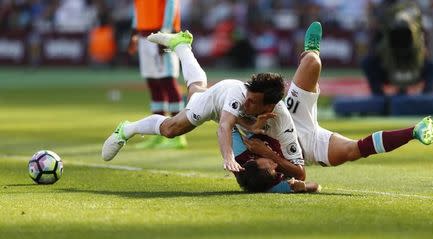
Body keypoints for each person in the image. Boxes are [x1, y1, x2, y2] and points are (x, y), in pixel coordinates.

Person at [235, 21, 433, 193]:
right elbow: (306, 180)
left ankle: (310, 50)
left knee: (313, 62)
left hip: (288, 116)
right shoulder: (273, 182)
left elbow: (229, 124)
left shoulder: (242, 159)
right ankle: (415, 131)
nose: (272, 165)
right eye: (272, 169)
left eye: (266, 164)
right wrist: (281, 166)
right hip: (310, 146)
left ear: (251, 164)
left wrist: (249, 125)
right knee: (354, 149)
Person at [102, 30, 305, 176]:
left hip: (228, 111)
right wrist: (228, 157)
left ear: (269, 107)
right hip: (215, 104)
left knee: (196, 89)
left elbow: (301, 172)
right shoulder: (239, 93)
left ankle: (182, 46)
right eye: (248, 96)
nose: (247, 102)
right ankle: (127, 129)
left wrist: (269, 151)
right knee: (171, 129)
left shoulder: (282, 119)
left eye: (253, 102)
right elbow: (225, 125)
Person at [127, 0, 186, 149]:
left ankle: (178, 135)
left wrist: (164, 33)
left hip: (162, 33)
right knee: (153, 83)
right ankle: (160, 134)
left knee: (168, 81)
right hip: (143, 35)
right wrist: (134, 31)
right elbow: (138, 7)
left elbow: (171, 4)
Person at [361, 0, 433, 95]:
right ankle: (378, 97)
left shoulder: (411, 7)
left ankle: (427, 98)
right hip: (388, 64)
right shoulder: (382, 8)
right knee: (368, 63)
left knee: (432, 67)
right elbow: (374, 31)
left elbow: (420, 31)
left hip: (411, 62)